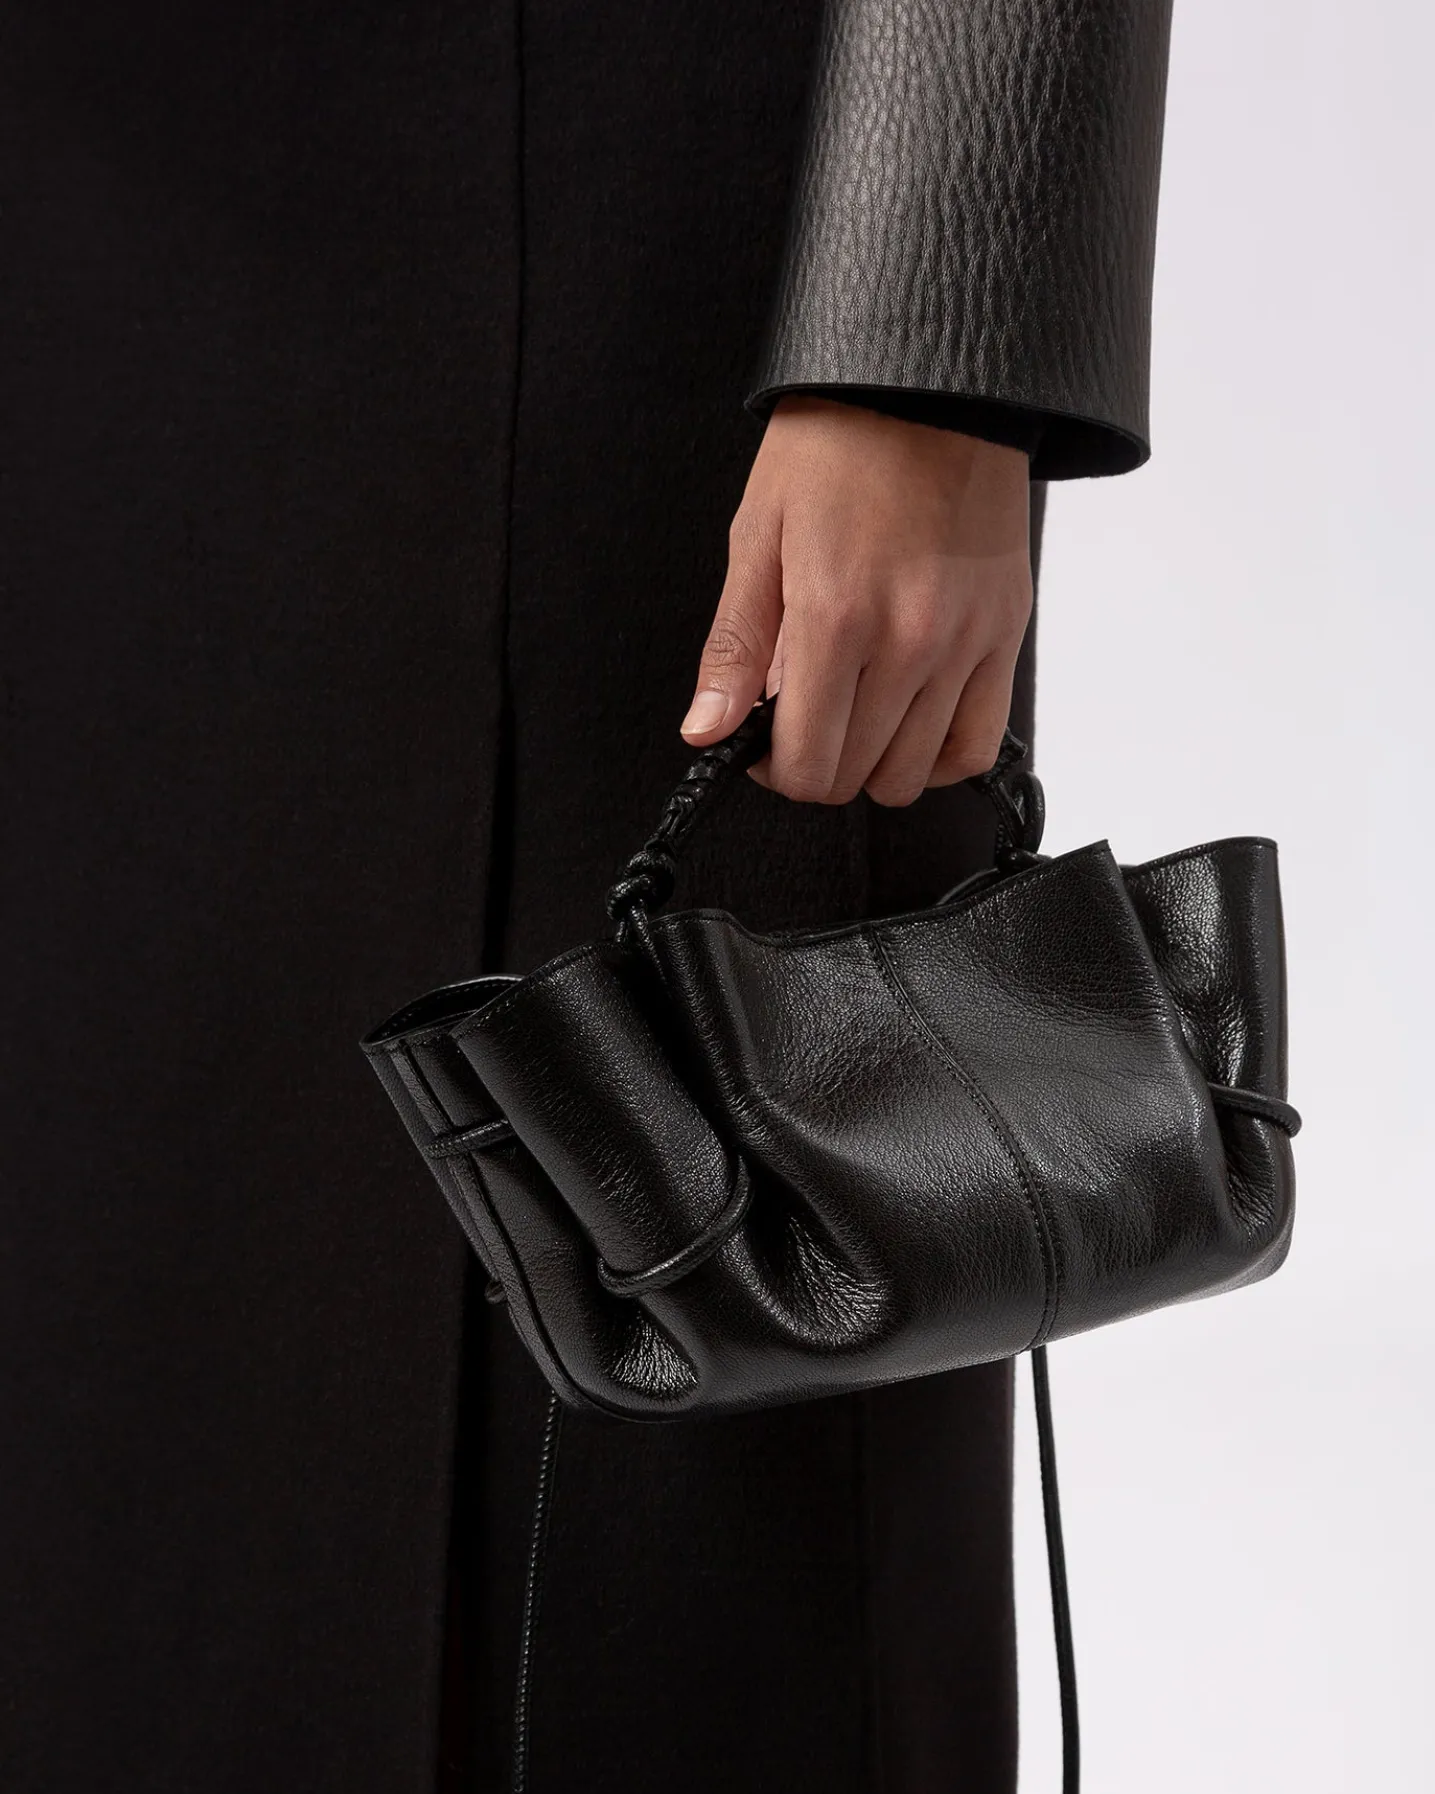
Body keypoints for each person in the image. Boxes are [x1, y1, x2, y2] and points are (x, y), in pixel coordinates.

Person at [0, 3, 1173, 1790]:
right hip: (90, 233)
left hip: (678, 244)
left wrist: (935, 328)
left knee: (708, 1484)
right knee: (124, 1416)